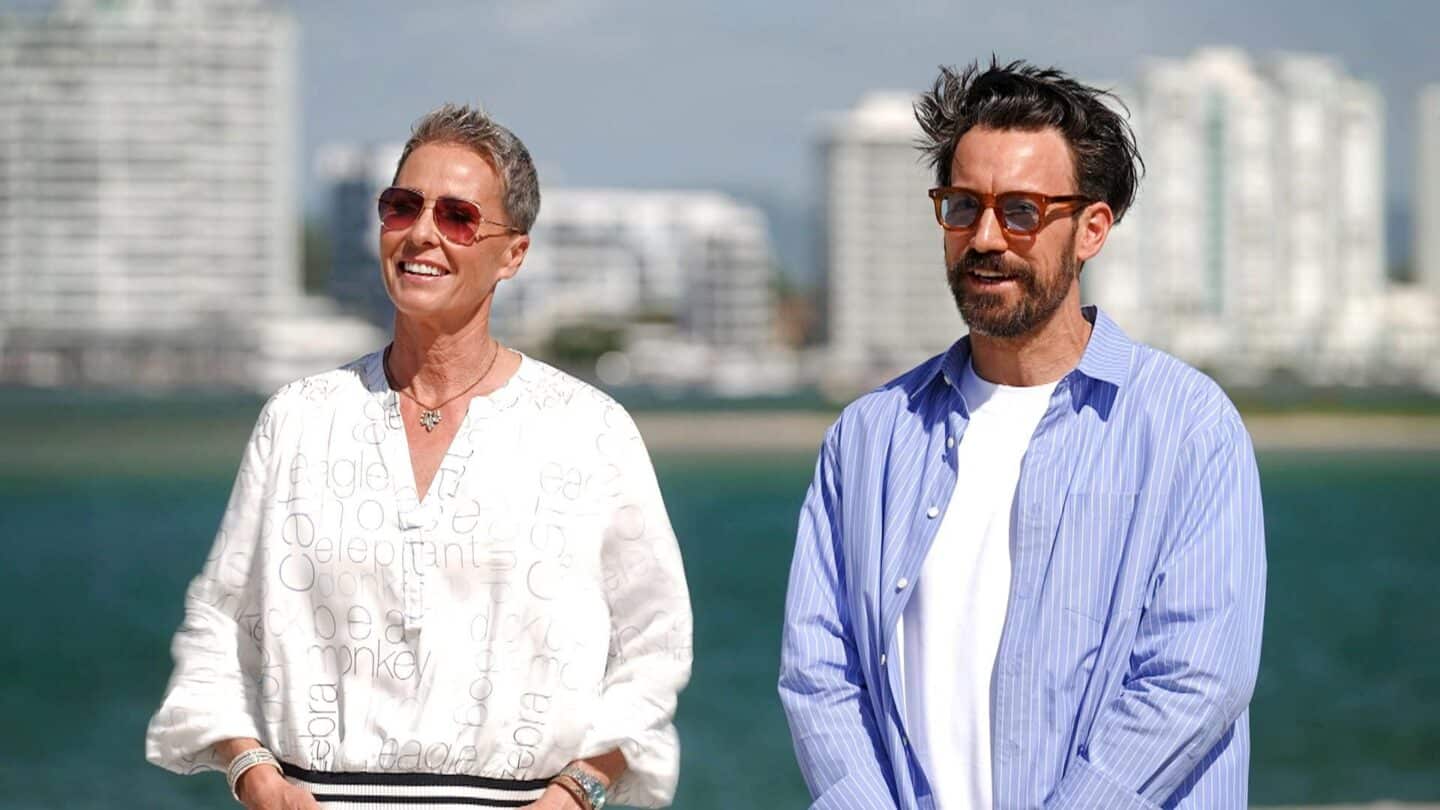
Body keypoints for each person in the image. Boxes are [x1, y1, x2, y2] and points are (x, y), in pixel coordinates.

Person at [147, 103, 692, 810]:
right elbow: (219, 619)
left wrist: (579, 789)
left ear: (513, 253)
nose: (423, 233)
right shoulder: (301, 419)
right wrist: (254, 773)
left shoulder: (589, 431)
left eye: (459, 216)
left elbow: (655, 641)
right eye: (402, 207)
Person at [779, 60, 1266, 809]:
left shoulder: (1186, 427)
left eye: (1021, 212)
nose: (984, 238)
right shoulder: (870, 438)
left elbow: (1195, 679)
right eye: (962, 205)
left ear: (1092, 228)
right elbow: (821, 670)